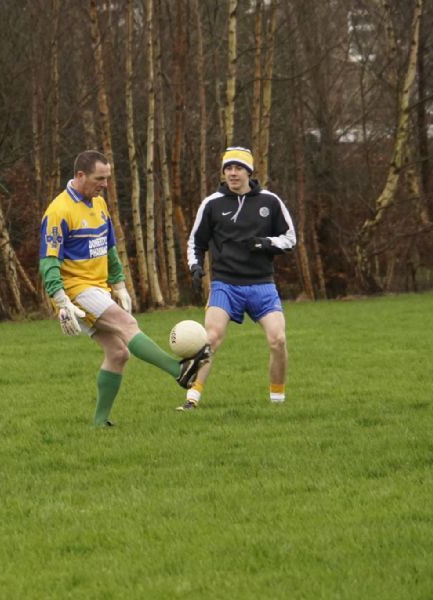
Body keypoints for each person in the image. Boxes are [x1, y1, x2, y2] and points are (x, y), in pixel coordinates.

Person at [39, 150, 211, 427]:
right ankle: (179, 371)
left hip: (98, 288)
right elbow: (48, 262)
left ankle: (99, 422)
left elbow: (109, 247)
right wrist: (61, 300)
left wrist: (119, 284)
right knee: (126, 323)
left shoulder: (99, 204)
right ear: (80, 175)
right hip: (74, 291)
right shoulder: (59, 211)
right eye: (99, 178)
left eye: (107, 178)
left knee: (118, 353)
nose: (105, 184)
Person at [181, 146, 296, 410]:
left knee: (278, 340)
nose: (233, 173)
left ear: (249, 172)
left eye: (238, 168)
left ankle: (277, 401)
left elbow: (290, 239)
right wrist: (195, 266)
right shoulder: (212, 203)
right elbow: (195, 242)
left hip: (262, 284)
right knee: (211, 338)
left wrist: (265, 243)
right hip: (225, 284)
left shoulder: (270, 201)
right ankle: (192, 398)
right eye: (228, 168)